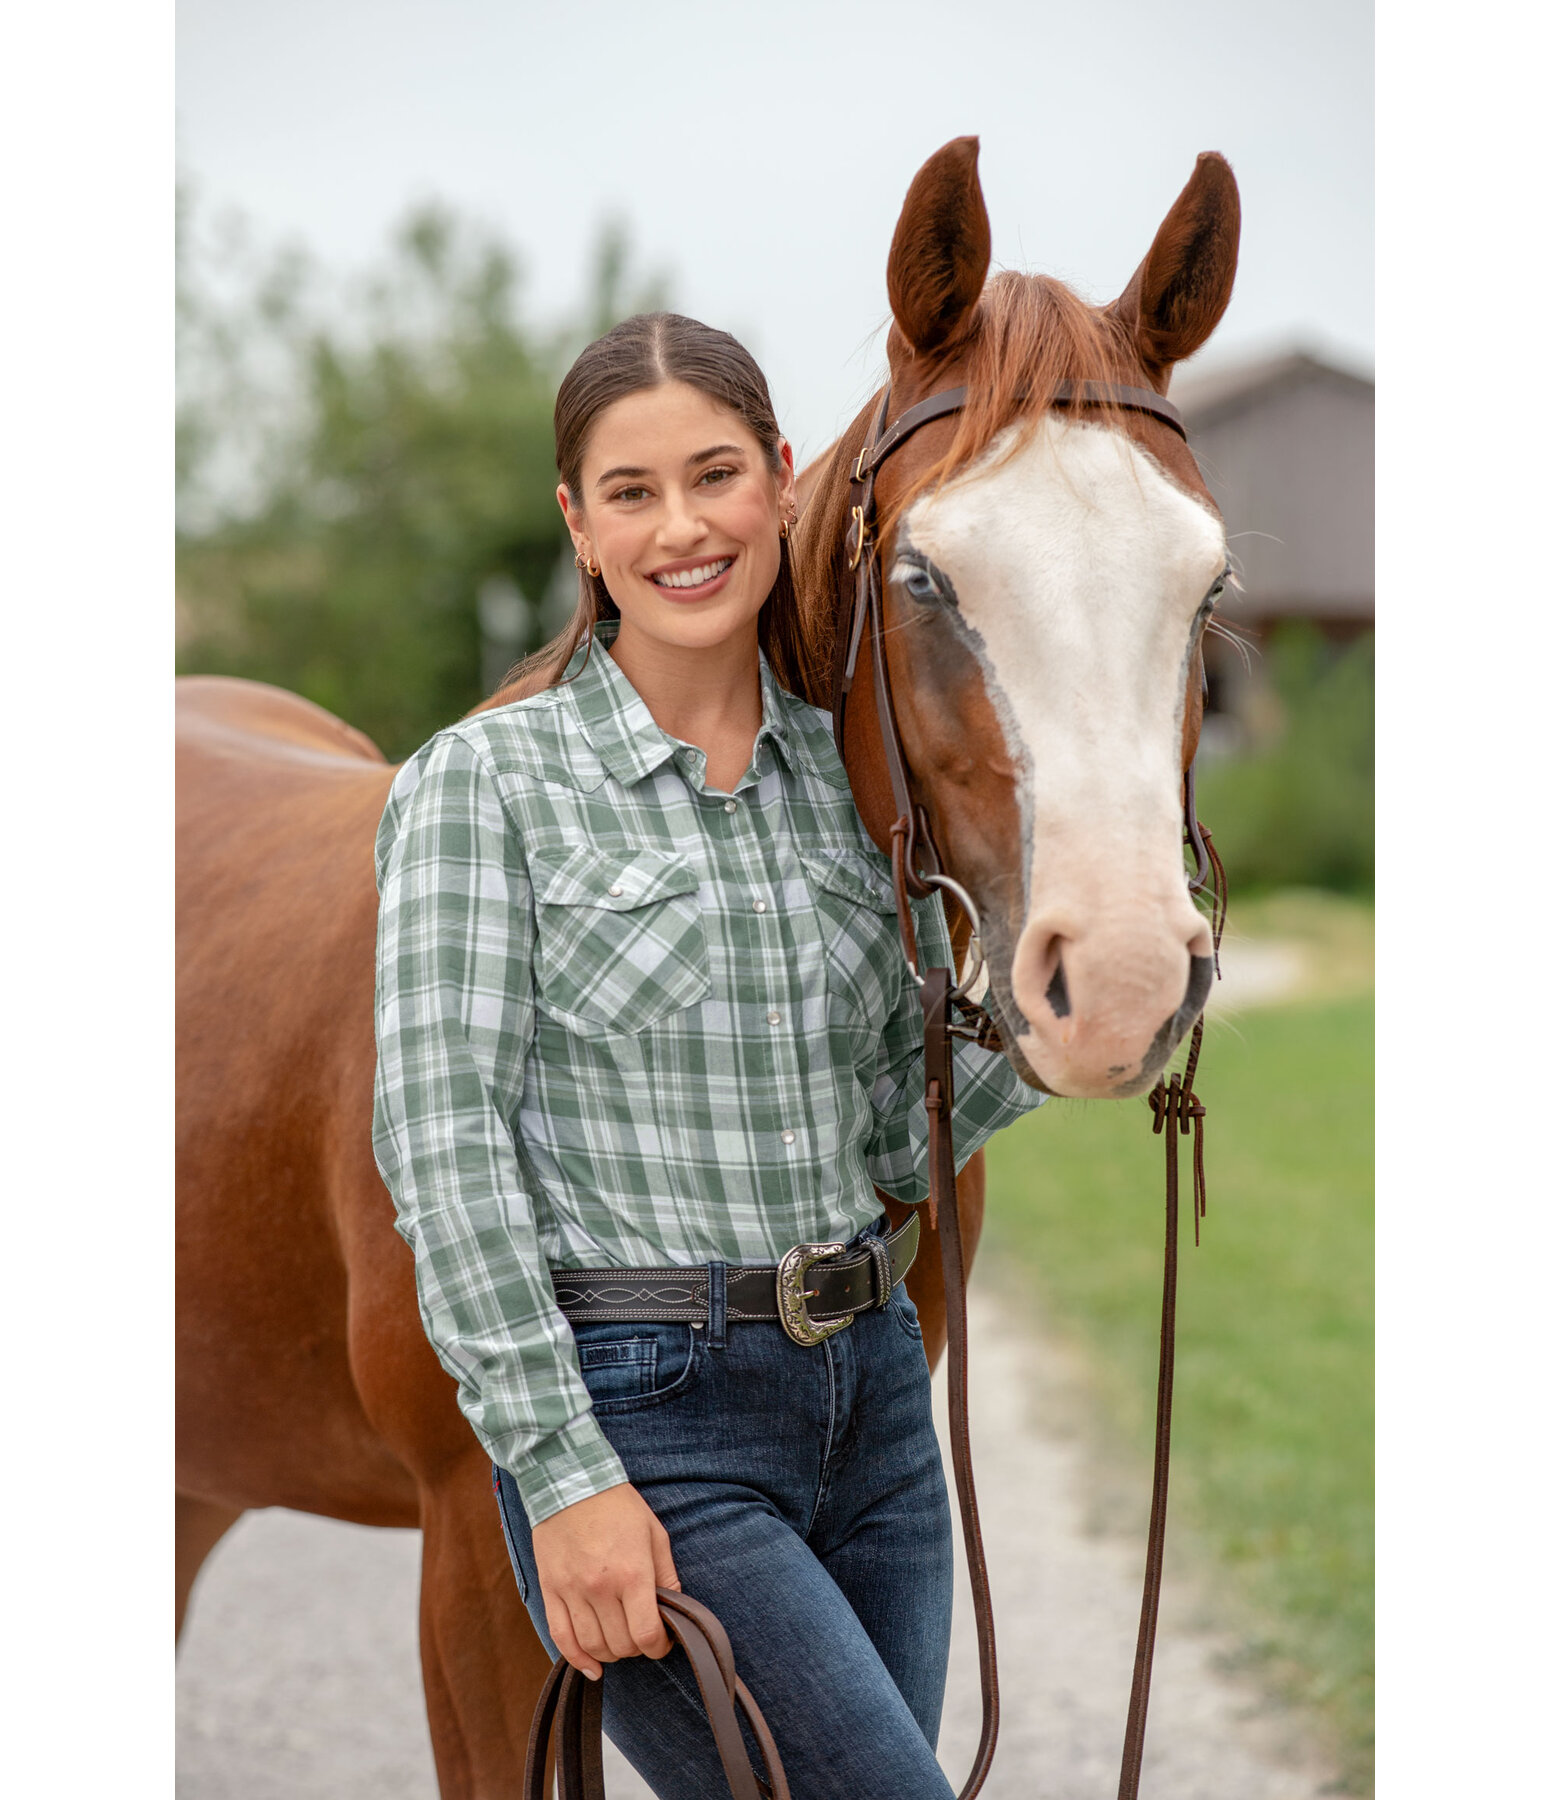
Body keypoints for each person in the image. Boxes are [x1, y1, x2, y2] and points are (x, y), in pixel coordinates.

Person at [372, 312, 1044, 1799]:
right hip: (651, 1411)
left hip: (873, 1404)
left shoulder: (843, 783)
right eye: (630, 492)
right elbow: (446, 1153)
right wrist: (564, 1481)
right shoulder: (483, 787)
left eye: (715, 475)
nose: (681, 526)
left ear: (781, 486)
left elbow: (885, 1136)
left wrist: (1060, 1030)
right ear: (580, 526)